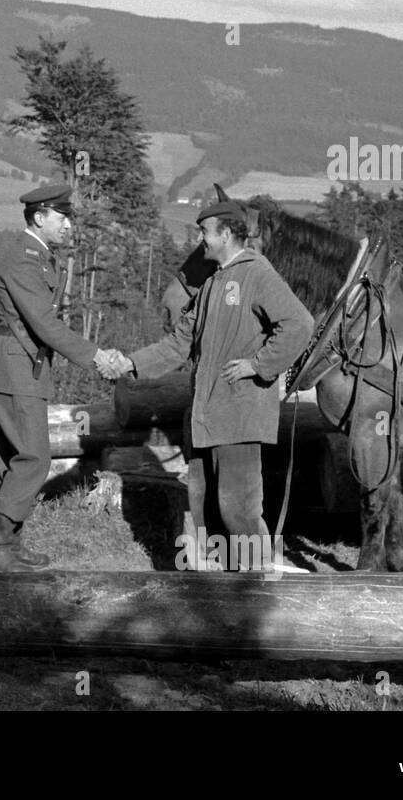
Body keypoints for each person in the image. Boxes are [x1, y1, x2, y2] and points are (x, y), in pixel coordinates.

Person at [106, 200, 314, 571]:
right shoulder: (211, 284)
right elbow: (178, 344)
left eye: (205, 231)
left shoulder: (257, 274)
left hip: (240, 413)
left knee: (239, 507)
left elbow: (299, 324)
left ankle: (258, 589)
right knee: (206, 508)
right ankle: (228, 588)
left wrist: (258, 365)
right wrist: (132, 363)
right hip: (206, 418)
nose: (200, 239)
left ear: (228, 234)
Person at [0, 184, 125, 573]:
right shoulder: (24, 261)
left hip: (21, 366)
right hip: (14, 366)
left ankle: (10, 543)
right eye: (62, 217)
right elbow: (44, 324)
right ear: (39, 218)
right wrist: (96, 358)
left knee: (13, 459)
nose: (69, 224)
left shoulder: (39, 257)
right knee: (35, 459)